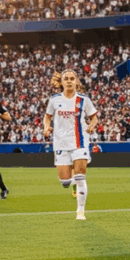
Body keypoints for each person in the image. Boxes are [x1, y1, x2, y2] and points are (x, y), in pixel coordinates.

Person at [43, 69, 98, 220]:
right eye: (65, 78)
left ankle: (80, 211)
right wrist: (46, 127)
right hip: (61, 143)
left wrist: (92, 125)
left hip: (80, 142)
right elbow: (47, 117)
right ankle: (71, 182)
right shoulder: (54, 100)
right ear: (61, 82)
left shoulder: (83, 100)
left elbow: (94, 117)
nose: (68, 81)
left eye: (71, 78)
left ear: (76, 81)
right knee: (65, 182)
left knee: (80, 177)